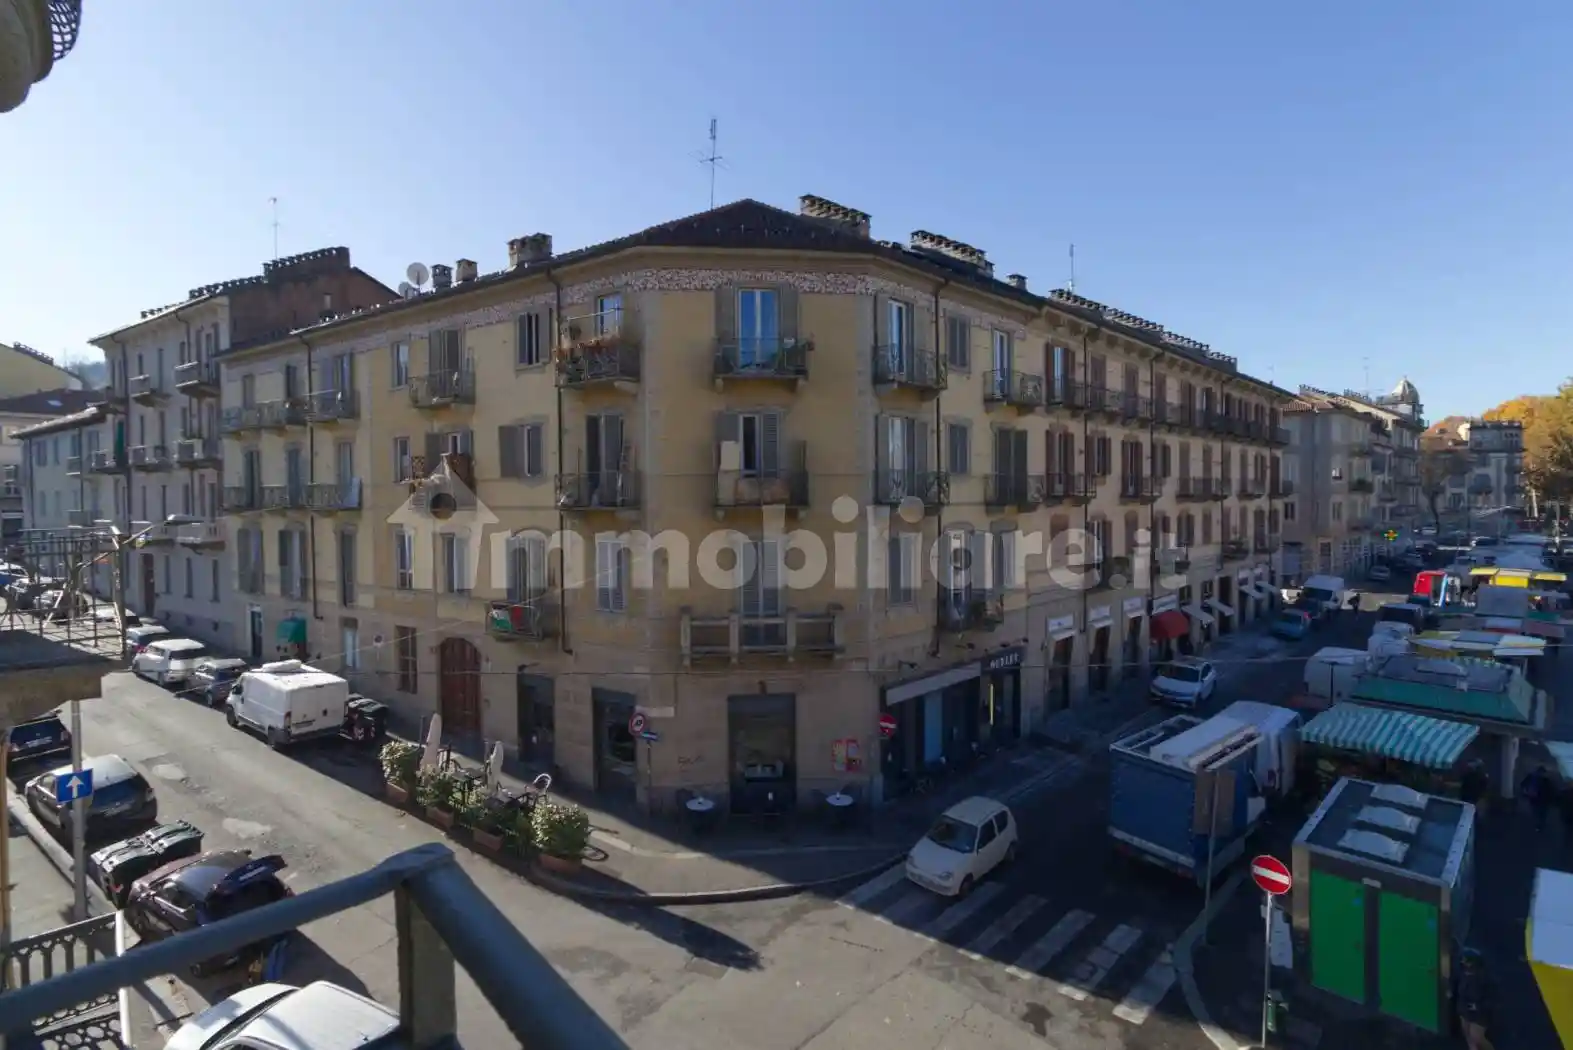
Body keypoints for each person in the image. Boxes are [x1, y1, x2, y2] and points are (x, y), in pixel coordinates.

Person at [1522, 765, 1555, 833]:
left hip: (1534, 797)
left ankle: (1538, 825)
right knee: (1543, 813)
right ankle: (1541, 824)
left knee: (1535, 811)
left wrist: (1526, 791)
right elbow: (1551, 789)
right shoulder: (1546, 779)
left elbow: (1523, 784)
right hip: (1544, 799)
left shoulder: (1531, 776)